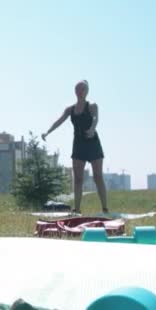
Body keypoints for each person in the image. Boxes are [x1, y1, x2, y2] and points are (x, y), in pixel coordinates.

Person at [42, 80, 109, 214]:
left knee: (98, 176)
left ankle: (105, 208)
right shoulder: (70, 109)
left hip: (93, 143)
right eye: (78, 89)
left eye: (83, 89)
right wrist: (48, 132)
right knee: (77, 178)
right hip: (78, 144)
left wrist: (92, 129)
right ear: (75, 91)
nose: (80, 91)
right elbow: (59, 121)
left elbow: (96, 119)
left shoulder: (92, 106)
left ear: (87, 91)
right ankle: (77, 208)